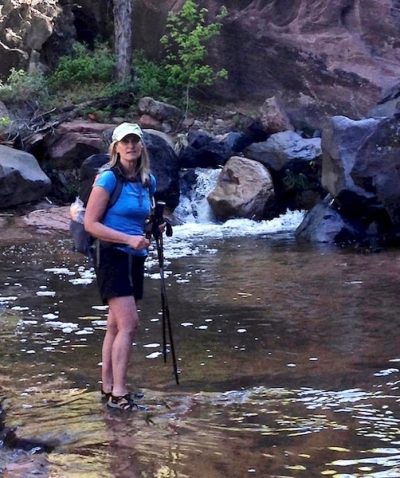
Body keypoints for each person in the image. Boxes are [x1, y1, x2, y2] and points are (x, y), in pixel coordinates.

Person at [84, 122, 156, 411]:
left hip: (135, 258)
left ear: (141, 146)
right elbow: (91, 224)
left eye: (135, 141)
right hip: (111, 256)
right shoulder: (107, 180)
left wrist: (155, 227)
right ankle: (120, 394)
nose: (130, 146)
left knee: (114, 325)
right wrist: (127, 238)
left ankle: (108, 388)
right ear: (115, 147)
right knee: (130, 324)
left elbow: (143, 220)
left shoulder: (146, 181)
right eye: (125, 142)